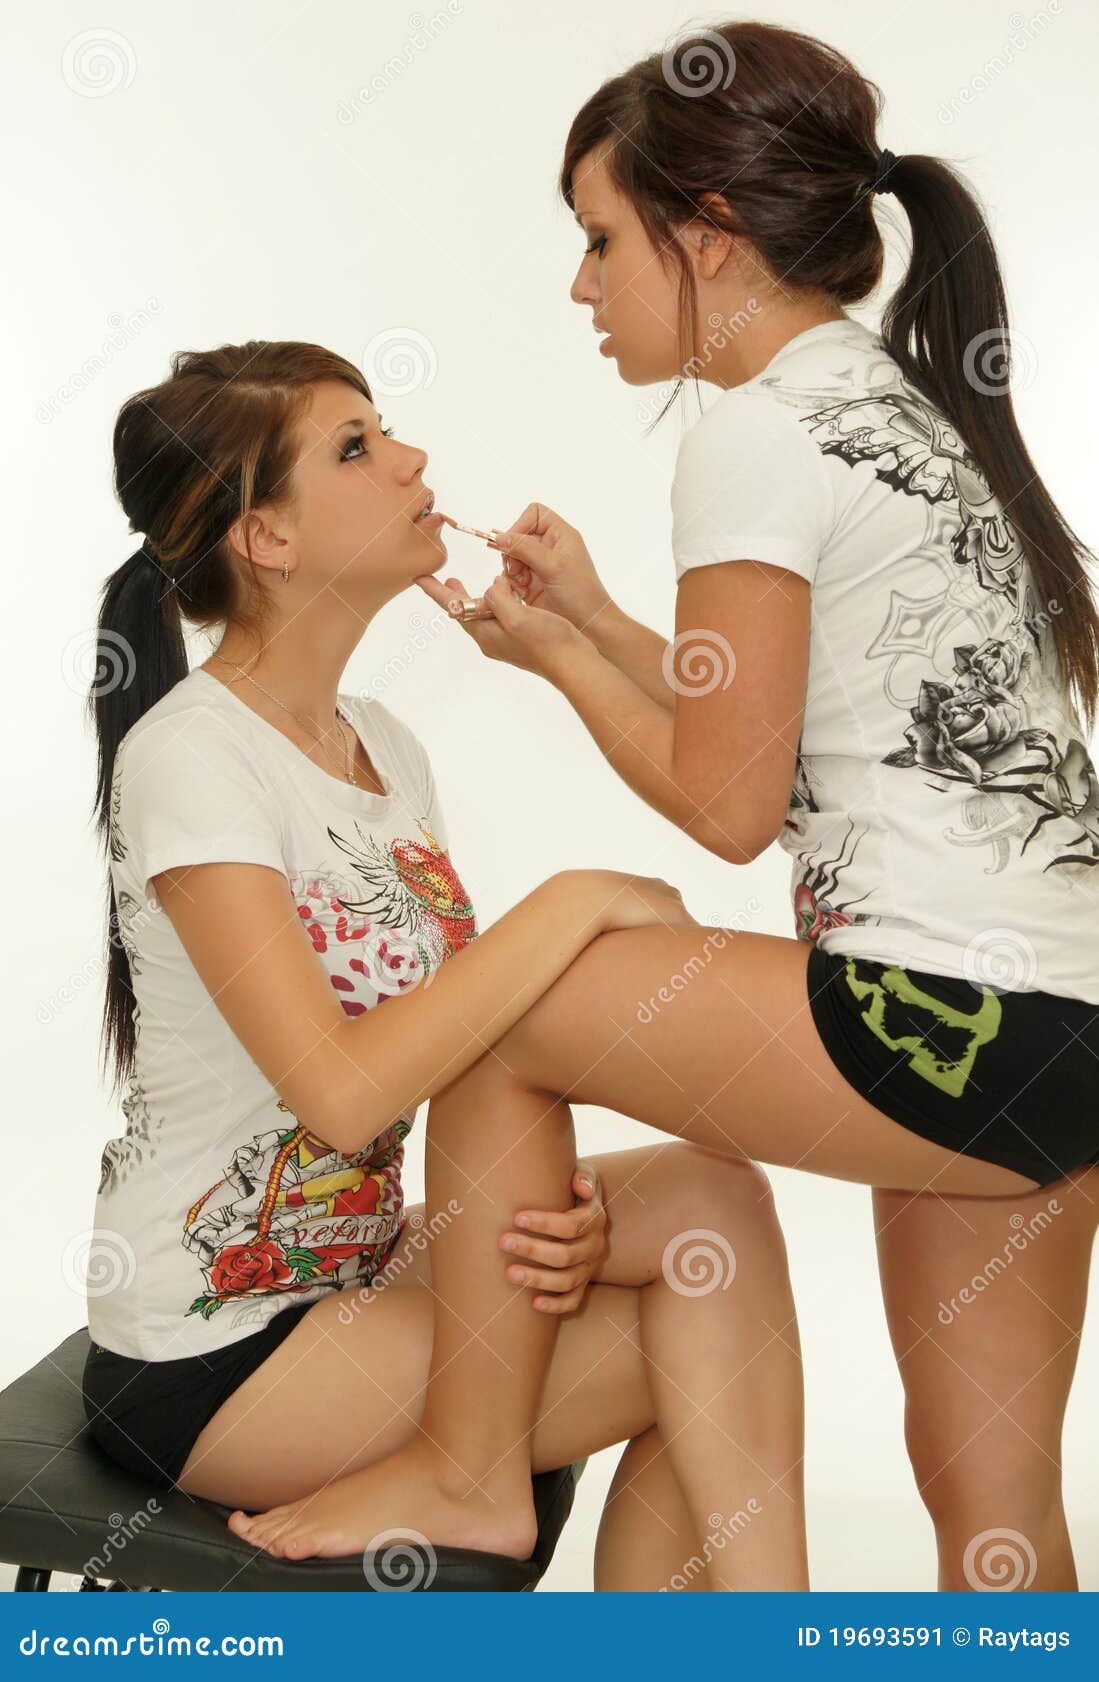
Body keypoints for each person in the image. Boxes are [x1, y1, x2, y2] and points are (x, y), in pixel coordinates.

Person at [235, 20, 1099, 1590]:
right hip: (1059, 1037)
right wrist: (589, 625)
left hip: (936, 1012)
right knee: (994, 1526)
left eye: (597, 239)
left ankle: (469, 1463)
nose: (580, 285)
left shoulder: (754, 430)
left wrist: (564, 674)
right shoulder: (889, 404)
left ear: (706, 241)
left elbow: (725, 800)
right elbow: (808, 719)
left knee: (502, 1012)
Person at [82, 340, 807, 1593]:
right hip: (218, 1343)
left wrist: (542, 1223)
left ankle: (748, 1644)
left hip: (360, 1258)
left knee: (709, 1202)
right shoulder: (192, 758)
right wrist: (575, 900)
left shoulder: (385, 747)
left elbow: (462, 1055)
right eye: (356, 448)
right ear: (265, 538)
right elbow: (345, 1093)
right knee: (706, 1350)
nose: (412, 460)